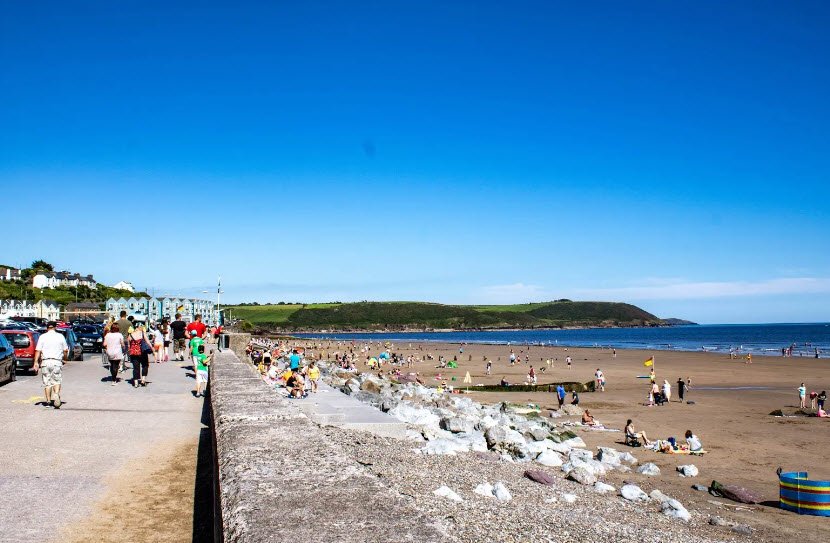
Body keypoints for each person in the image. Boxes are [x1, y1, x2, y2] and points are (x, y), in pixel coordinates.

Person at [32, 321, 69, 408]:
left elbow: (38, 350)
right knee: (57, 380)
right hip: (56, 361)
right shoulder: (60, 336)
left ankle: (48, 401)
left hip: (45, 361)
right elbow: (65, 350)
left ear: (47, 328)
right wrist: (65, 358)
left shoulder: (42, 337)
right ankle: (56, 394)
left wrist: (36, 362)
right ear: (55, 327)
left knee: (47, 382)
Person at [127, 322, 152, 387]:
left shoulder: (130, 335)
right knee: (145, 365)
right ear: (139, 327)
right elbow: (148, 342)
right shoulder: (143, 333)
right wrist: (152, 349)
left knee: (136, 367)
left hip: (134, 353)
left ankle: (136, 383)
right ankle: (143, 380)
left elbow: (129, 345)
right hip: (142, 352)